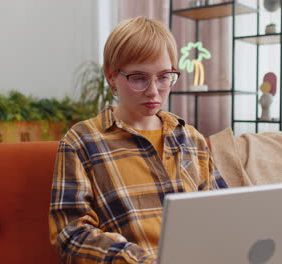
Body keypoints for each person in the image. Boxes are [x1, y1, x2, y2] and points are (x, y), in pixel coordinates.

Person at [49, 16, 227, 264]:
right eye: (139, 78)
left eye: (164, 76)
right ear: (112, 77)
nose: (153, 91)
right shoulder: (81, 142)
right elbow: (71, 236)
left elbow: (223, 214)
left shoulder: (191, 139)